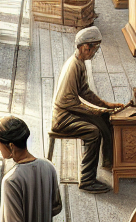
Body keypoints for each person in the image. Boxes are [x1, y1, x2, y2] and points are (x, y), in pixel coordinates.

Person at [50, 26, 124, 193]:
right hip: (62, 118)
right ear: (85, 47)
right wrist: (94, 111)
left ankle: (108, 162)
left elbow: (84, 91)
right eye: (94, 49)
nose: (94, 53)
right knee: (93, 132)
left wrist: (105, 105)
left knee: (105, 118)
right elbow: (69, 103)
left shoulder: (80, 63)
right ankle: (87, 180)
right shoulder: (73, 66)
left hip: (69, 112)